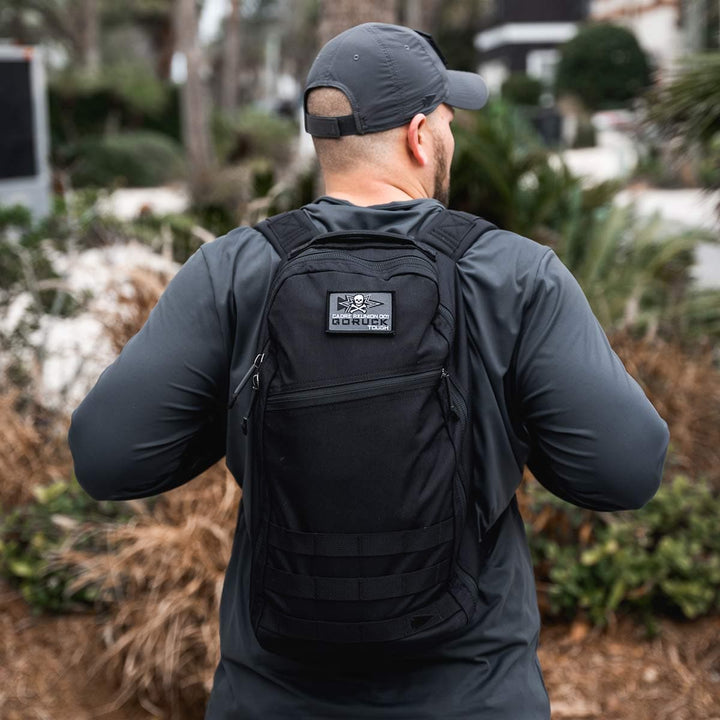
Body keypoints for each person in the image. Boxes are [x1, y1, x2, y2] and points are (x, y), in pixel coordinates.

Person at [69, 22, 669, 719]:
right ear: (419, 136)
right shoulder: (514, 275)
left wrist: (241, 413)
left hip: (274, 701)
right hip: (473, 699)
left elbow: (107, 458)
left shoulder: (232, 271)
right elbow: (627, 470)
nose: (449, 133)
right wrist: (511, 428)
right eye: (447, 119)